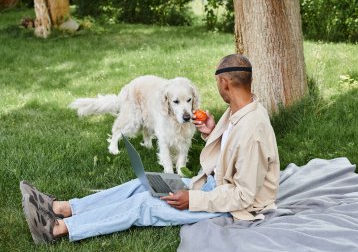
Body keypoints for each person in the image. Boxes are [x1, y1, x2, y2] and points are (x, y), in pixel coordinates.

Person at [20, 54, 280, 244]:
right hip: (214, 186)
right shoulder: (241, 110)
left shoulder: (253, 130)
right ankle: (63, 207)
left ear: (224, 83)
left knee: (145, 204)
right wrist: (213, 132)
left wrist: (193, 199)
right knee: (144, 184)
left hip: (233, 205)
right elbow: (234, 155)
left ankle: (58, 228)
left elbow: (244, 196)